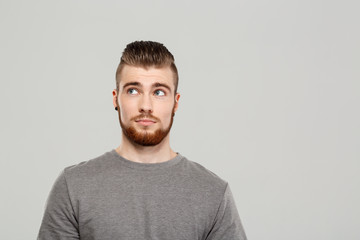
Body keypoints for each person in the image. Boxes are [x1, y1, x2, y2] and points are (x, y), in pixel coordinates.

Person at [37, 41, 247, 240]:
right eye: (133, 90)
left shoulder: (213, 193)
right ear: (115, 99)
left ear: (175, 102)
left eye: (158, 92)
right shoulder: (73, 186)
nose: (146, 105)